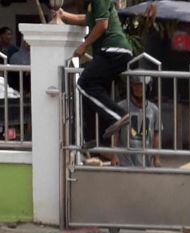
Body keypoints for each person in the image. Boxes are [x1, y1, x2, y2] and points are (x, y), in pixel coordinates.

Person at [52, 0, 133, 142]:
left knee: (84, 84)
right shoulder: (92, 5)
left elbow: (102, 25)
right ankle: (92, 138)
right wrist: (64, 15)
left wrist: (84, 45)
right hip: (113, 52)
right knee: (91, 93)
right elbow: (86, 19)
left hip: (112, 50)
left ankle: (119, 115)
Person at [114, 76, 162, 167]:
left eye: (141, 85)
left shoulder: (154, 110)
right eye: (135, 85)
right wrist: (114, 155)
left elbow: (156, 135)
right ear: (131, 87)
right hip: (125, 162)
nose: (138, 88)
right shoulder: (120, 107)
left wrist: (157, 158)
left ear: (147, 87)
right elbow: (115, 133)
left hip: (146, 162)